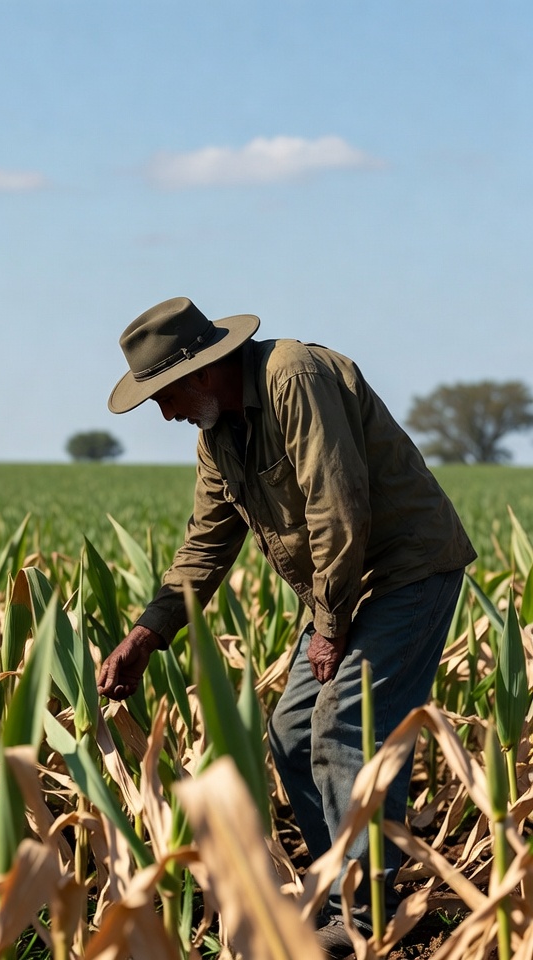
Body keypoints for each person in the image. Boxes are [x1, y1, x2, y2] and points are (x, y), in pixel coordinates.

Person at [96, 297, 475, 958]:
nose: (165, 412)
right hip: (344, 587)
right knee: (294, 732)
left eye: (164, 395)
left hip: (404, 571)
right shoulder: (219, 436)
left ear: (203, 373)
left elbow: (339, 500)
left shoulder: (294, 377)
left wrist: (329, 625)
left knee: (347, 724)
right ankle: (339, 889)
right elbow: (206, 544)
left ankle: (365, 910)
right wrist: (147, 635)